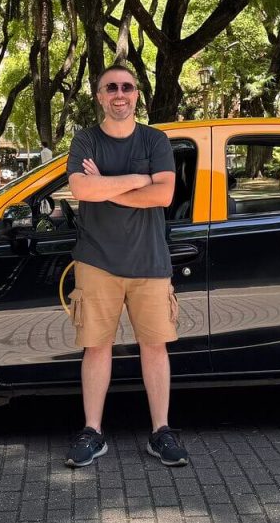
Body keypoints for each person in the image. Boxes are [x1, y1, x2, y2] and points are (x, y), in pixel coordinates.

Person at [63, 63, 187, 469]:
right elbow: (81, 189)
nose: (120, 93)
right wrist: (139, 179)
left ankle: (161, 431)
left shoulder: (155, 139)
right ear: (99, 96)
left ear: (137, 94)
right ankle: (92, 432)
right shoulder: (85, 140)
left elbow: (164, 195)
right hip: (96, 262)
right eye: (110, 87)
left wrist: (109, 188)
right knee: (96, 347)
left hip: (150, 262)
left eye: (127, 87)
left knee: (155, 347)